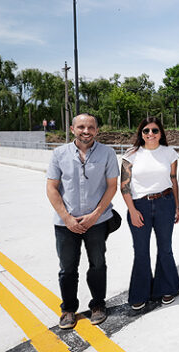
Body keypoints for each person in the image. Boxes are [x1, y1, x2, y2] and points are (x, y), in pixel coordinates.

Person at [46, 113, 118, 329]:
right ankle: (68, 309)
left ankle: (98, 305)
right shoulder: (59, 154)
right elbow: (51, 187)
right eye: (81, 127)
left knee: (97, 264)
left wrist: (95, 214)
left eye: (90, 127)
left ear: (97, 130)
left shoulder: (107, 153)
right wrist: (67, 218)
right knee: (67, 268)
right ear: (72, 129)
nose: (86, 131)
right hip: (66, 224)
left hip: (97, 221)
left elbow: (112, 186)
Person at [120, 117, 179, 310]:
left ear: (160, 133)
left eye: (155, 130)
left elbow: (173, 180)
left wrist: (177, 207)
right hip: (140, 206)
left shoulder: (169, 153)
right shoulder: (131, 154)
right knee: (141, 251)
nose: (150, 134)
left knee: (165, 248)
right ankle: (140, 293)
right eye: (146, 131)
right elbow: (124, 185)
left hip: (165, 203)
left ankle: (166, 288)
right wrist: (132, 210)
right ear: (141, 133)